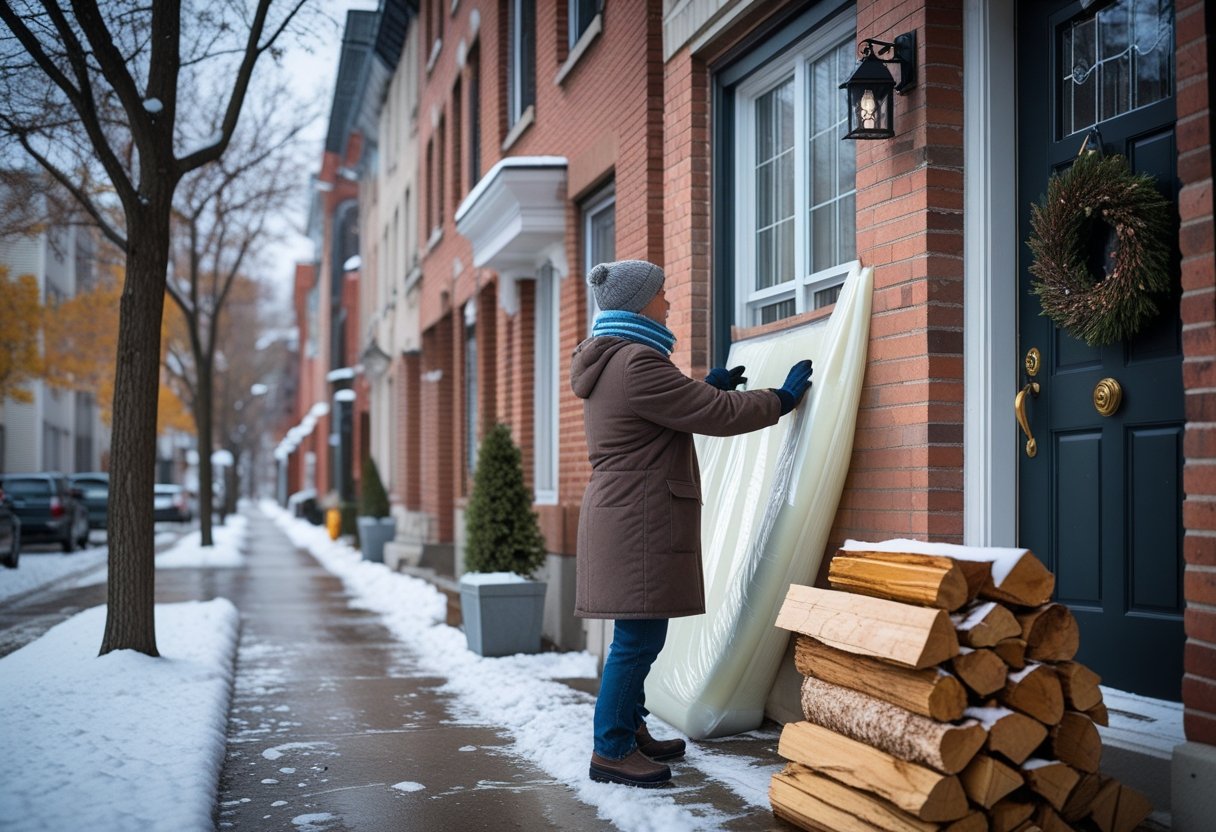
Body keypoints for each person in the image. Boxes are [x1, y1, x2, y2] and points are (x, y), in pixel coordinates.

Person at [570, 259, 814, 788]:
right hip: (636, 518)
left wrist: (710, 384)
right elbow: (714, 414)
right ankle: (610, 749)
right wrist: (783, 399)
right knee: (637, 640)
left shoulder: (616, 358)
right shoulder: (637, 361)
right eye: (662, 293)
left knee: (640, 636)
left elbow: (674, 409)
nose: (669, 301)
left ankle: (628, 729)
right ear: (639, 302)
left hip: (626, 513)